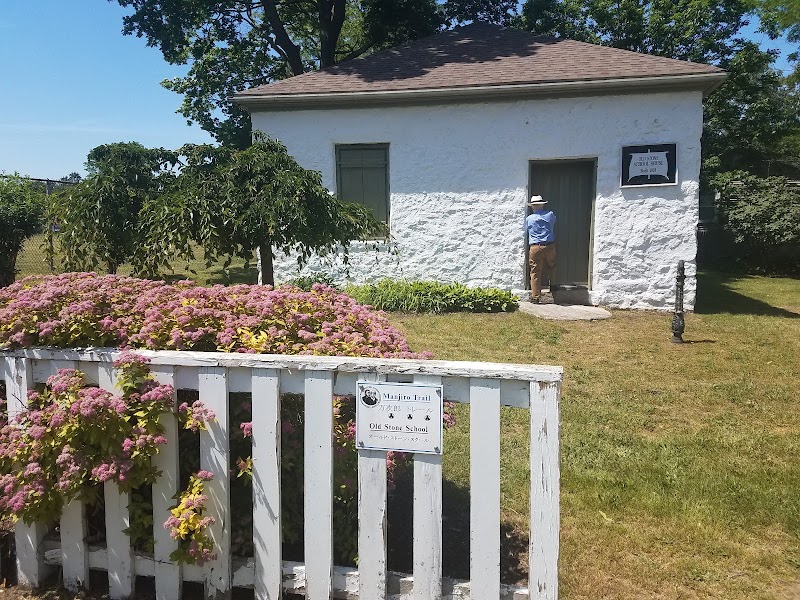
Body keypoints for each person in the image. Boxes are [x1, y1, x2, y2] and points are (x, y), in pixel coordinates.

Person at [525, 195, 557, 303]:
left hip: (535, 247)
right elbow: (553, 223)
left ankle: (535, 297)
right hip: (549, 245)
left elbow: (526, 230)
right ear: (542, 205)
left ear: (532, 207)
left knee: (535, 271)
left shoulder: (529, 219)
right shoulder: (550, 215)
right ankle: (553, 286)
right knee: (551, 266)